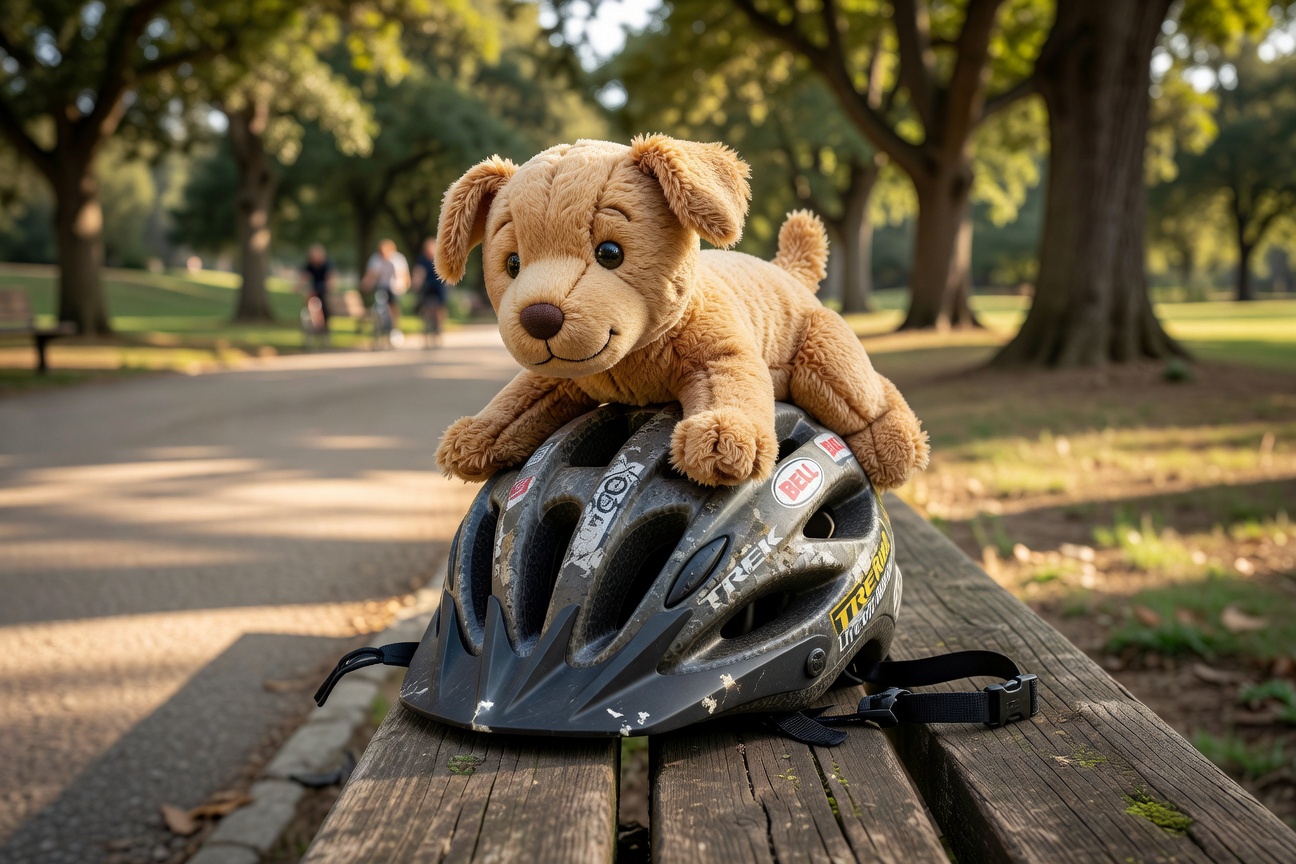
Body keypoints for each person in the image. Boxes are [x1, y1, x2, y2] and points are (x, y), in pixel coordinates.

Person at [361, 238, 411, 344]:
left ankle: (395, 328)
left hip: (395, 285)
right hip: (381, 286)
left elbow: (402, 275)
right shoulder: (376, 259)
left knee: (393, 304)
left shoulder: (398, 259)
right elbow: (371, 275)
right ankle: (379, 323)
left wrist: (401, 286)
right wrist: (366, 284)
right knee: (379, 302)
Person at [412, 237, 449, 347]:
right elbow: (418, 273)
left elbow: (447, 274)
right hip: (427, 286)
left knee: (440, 307)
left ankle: (439, 326)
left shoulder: (440, 259)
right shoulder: (422, 261)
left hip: (439, 286)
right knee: (426, 307)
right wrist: (416, 284)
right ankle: (427, 326)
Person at [298, 244, 336, 345]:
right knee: (310, 299)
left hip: (323, 289)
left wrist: (329, 285)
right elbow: (304, 277)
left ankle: (324, 329)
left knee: (324, 304)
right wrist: (298, 286)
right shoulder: (310, 265)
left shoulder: (327, 264)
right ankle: (312, 323)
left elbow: (330, 279)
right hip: (314, 289)